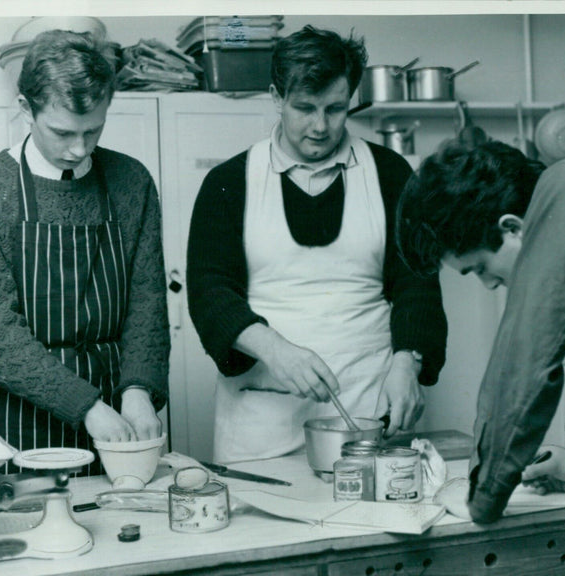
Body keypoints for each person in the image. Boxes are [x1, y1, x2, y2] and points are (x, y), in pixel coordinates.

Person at [186, 25, 447, 463]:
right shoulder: (228, 182)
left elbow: (417, 282)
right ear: (277, 97)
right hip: (262, 416)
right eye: (305, 108)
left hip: (368, 408)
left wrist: (409, 361)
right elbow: (210, 292)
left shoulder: (392, 174)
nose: (320, 126)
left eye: (335, 109)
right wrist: (275, 350)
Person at [396, 139, 565, 523]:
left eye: (480, 268)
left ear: (513, 228)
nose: (489, 285)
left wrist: (483, 496)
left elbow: (524, 361)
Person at [0, 30, 170, 475]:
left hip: (120, 414)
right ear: (26, 109)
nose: (79, 148)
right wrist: (87, 407)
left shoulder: (132, 181)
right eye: (62, 132)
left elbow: (147, 302)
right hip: (17, 422)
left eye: (93, 130)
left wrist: (138, 389)